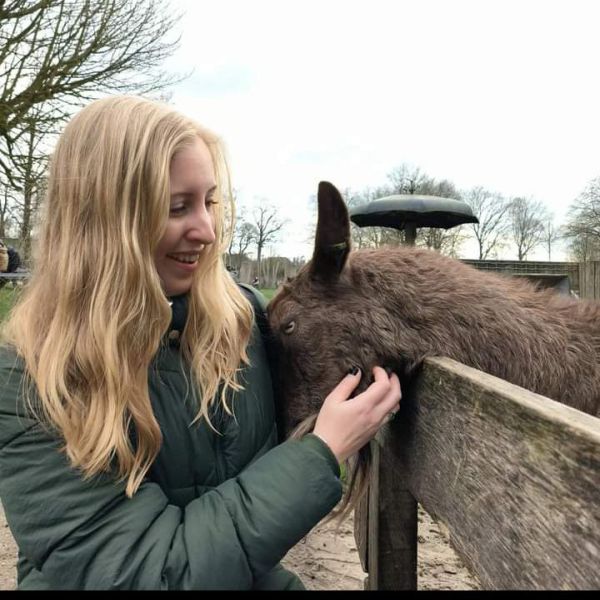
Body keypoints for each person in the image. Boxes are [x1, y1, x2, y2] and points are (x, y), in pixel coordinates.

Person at [0, 96, 401, 590]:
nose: (208, 231)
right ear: (105, 222)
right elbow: (149, 574)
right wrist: (320, 450)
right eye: (177, 207)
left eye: (209, 201)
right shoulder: (30, 378)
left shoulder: (244, 322)